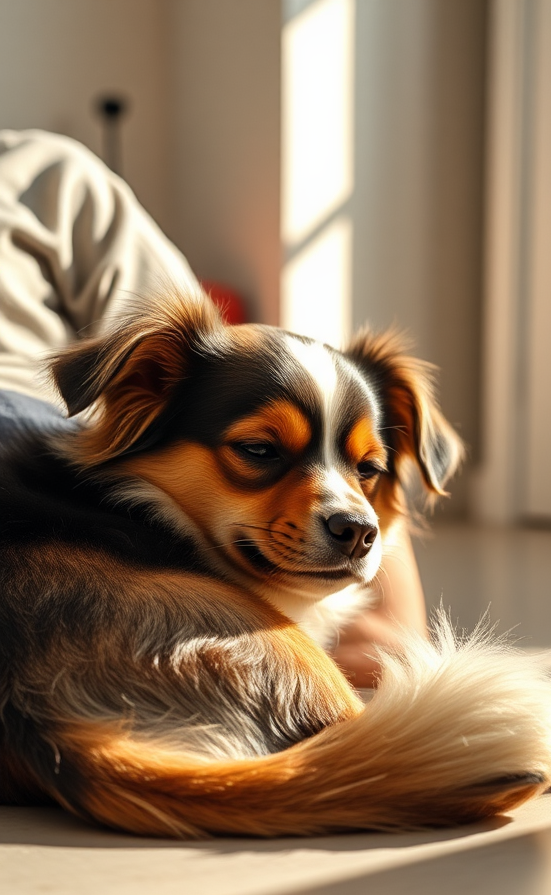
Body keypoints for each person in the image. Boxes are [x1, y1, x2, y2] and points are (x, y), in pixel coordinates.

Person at [0, 128, 428, 688]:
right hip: (45, 474)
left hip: (51, 426)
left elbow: (227, 361)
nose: (356, 520)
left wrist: (390, 631)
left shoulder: (44, 174)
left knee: (388, 651)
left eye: (366, 467)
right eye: (259, 449)